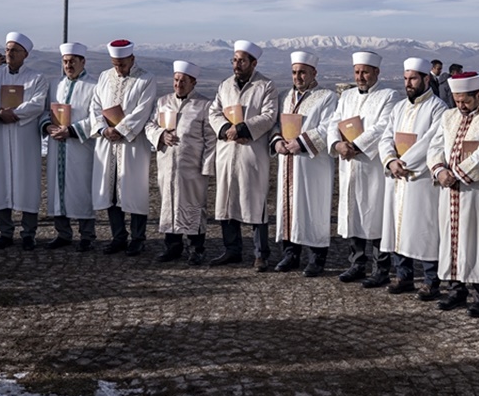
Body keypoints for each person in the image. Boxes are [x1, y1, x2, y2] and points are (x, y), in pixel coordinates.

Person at [427, 71, 479, 317]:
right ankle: (456, 290)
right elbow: (435, 145)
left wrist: (456, 174)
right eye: (457, 100)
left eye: (466, 101)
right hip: (450, 190)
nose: (461, 106)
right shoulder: (448, 116)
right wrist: (439, 170)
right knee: (451, 239)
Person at [328, 51, 401, 286]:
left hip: (372, 166)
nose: (360, 77)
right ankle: (357, 264)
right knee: (353, 214)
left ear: (376, 72)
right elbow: (334, 122)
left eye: (365, 72)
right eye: (357, 72)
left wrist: (356, 146)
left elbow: (383, 126)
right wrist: (337, 144)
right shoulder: (347, 95)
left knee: (375, 215)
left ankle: (381, 268)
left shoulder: (388, 95)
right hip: (349, 165)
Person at [378, 57, 448, 298]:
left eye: (413, 79)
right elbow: (386, 137)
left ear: (426, 79)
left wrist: (403, 163)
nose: (408, 83)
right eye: (406, 78)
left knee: (424, 228)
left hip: (419, 178)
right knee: (398, 226)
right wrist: (390, 160)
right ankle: (403, 276)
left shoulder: (438, 108)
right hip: (396, 177)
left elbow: (431, 141)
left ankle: (431, 280)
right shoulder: (399, 107)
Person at [207, 40, 277, 269]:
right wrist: (227, 129)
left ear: (253, 63)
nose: (237, 65)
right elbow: (214, 112)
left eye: (242, 61)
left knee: (255, 201)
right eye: (234, 60)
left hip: (251, 152)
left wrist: (243, 128)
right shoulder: (225, 85)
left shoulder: (265, 86)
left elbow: (269, 116)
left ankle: (260, 253)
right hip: (228, 150)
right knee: (226, 200)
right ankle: (232, 249)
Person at [87, 39, 157, 256]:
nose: (119, 68)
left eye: (123, 64)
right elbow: (95, 106)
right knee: (111, 191)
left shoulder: (146, 79)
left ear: (132, 59)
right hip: (108, 143)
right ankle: (118, 236)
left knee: (134, 190)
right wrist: (103, 130)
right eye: (115, 64)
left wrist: (121, 129)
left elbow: (143, 111)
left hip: (132, 144)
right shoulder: (104, 77)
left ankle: (138, 238)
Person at [270, 51, 338, 277]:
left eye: (302, 72)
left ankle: (317, 257)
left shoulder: (327, 97)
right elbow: (276, 124)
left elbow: (328, 127)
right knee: (288, 207)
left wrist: (301, 142)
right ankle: (290, 254)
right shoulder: (285, 97)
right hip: (288, 162)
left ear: (314, 73)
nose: (297, 77)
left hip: (313, 164)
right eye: (294, 72)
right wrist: (277, 141)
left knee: (312, 207)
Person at [0, 32, 49, 250]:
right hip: (0, 136)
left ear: (25, 54)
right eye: (8, 49)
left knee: (28, 184)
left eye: (15, 50)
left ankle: (28, 233)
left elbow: (38, 104)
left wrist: (15, 113)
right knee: (0, 184)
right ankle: (5, 232)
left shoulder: (36, 78)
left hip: (25, 139)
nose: (9, 53)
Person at [145, 60, 215, 264]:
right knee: (169, 204)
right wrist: (160, 135)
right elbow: (150, 125)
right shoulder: (163, 102)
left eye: (183, 81)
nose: (178, 84)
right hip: (167, 165)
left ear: (193, 82)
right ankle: (172, 246)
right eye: (176, 80)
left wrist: (207, 166)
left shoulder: (204, 105)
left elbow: (211, 139)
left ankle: (196, 248)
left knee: (193, 207)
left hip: (192, 168)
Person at [42, 43, 99, 251]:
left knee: (82, 189)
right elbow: (44, 112)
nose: (68, 65)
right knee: (57, 189)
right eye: (65, 62)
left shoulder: (94, 86)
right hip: (57, 145)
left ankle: (87, 235)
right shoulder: (55, 85)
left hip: (81, 148)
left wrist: (72, 130)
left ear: (83, 62)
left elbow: (96, 118)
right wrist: (47, 126)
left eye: (73, 61)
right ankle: (63, 233)